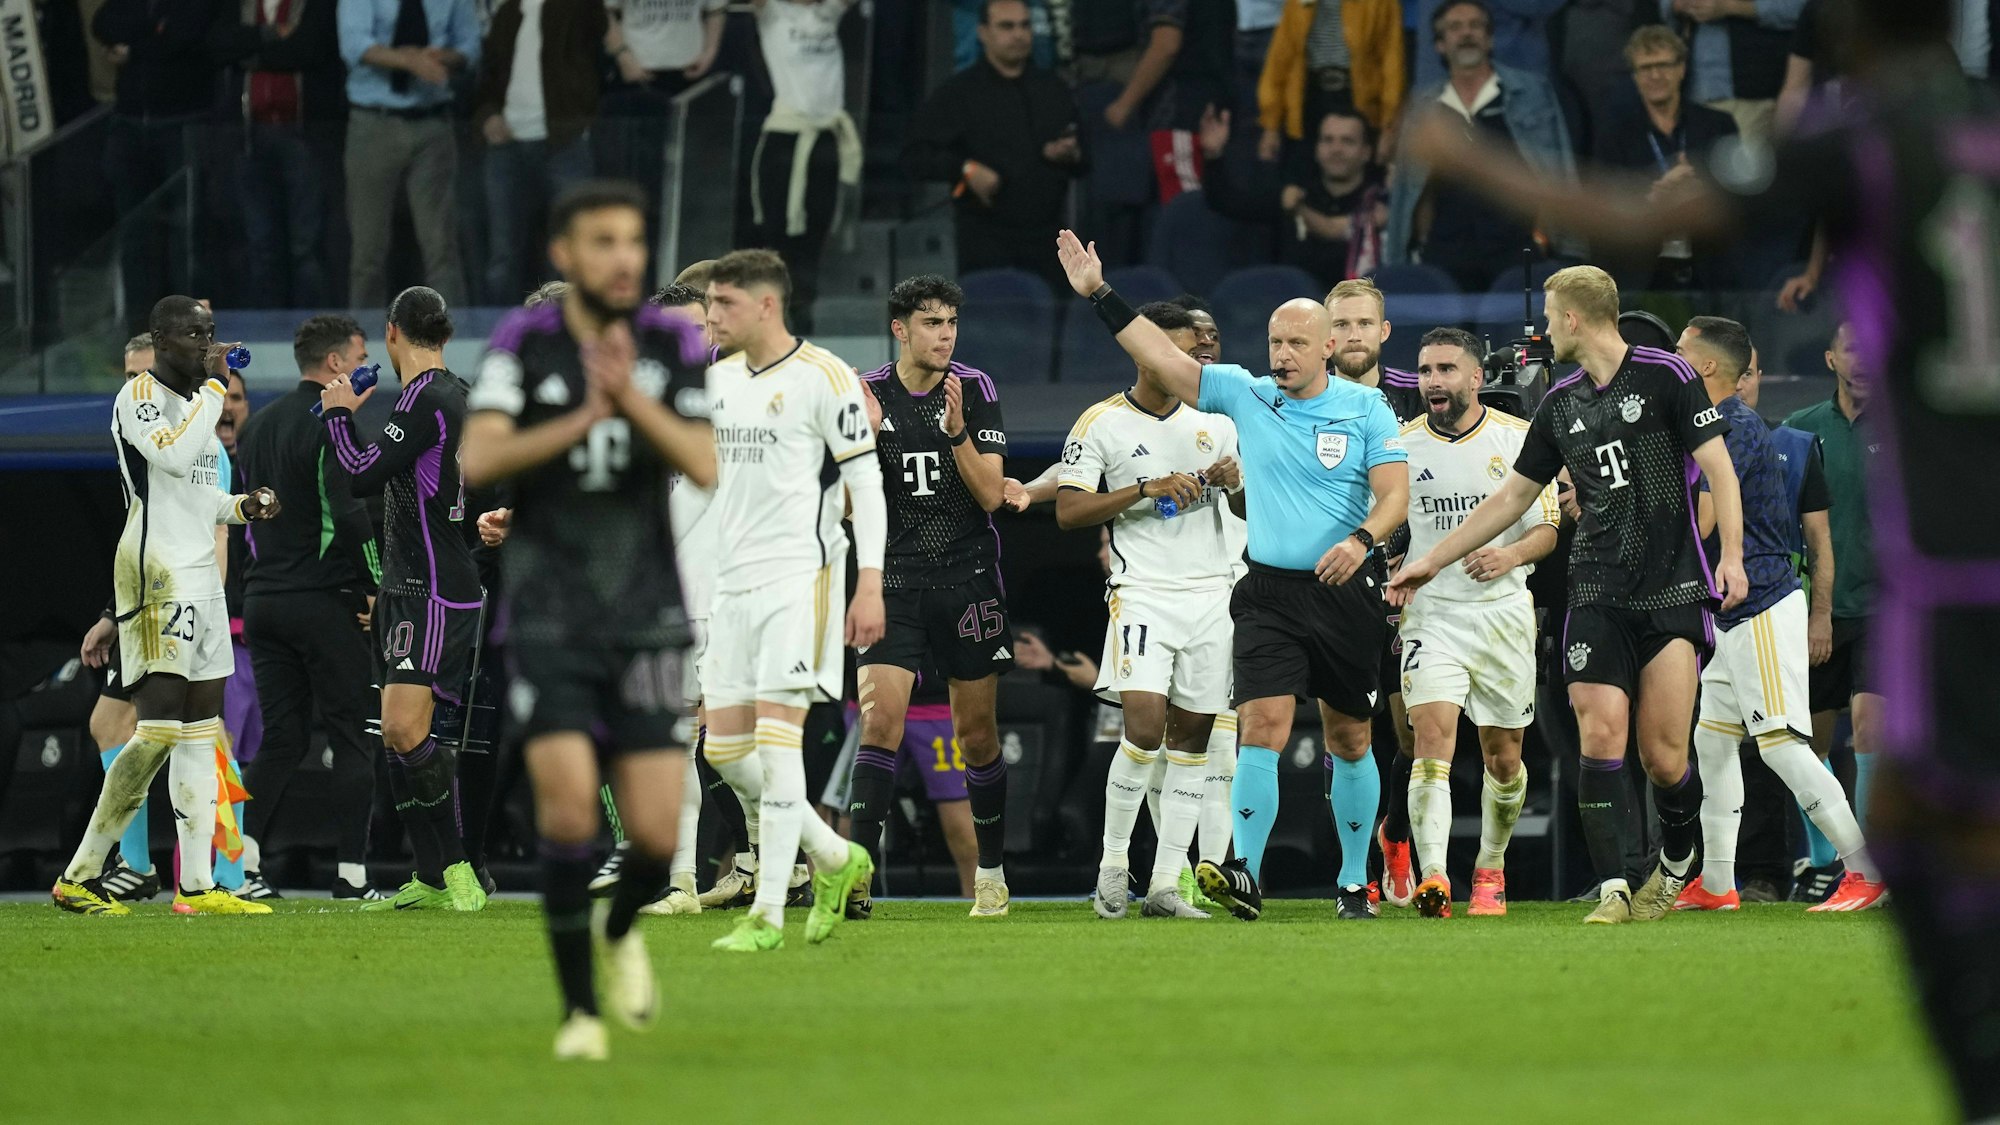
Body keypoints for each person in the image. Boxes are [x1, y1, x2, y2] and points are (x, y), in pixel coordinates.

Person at [1403, 4, 1997, 1104]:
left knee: (1910, 817)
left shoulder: (1860, 143)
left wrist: (1464, 156)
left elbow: (1637, 214)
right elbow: (1533, 492)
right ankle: (1665, 876)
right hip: (1653, 582)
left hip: (1946, 574)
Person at [1057, 228, 1411, 923]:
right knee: (1261, 726)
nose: (1281, 354)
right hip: (1268, 593)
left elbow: (1394, 493)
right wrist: (1099, 292)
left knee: (1351, 738)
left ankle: (1350, 880)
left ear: (1327, 349)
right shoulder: (1247, 396)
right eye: (1275, 342)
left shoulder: (1366, 407)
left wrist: (1363, 539)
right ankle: (1242, 869)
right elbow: (1159, 353)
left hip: (1345, 590)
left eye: (1296, 344)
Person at [1388, 266, 1748, 925]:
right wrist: (1430, 560)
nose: (1544, 329)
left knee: (1664, 757)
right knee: (1599, 735)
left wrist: (1730, 555)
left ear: (1576, 319)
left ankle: (1676, 856)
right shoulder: (1560, 403)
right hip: (1597, 590)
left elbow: (1719, 469)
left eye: (1551, 317)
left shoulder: (1666, 375)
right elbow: (1512, 497)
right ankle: (1614, 886)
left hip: (1671, 586)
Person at [462, 181, 714, 1059]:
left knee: (652, 833)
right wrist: (581, 416)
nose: (623, 257)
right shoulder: (523, 342)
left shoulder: (669, 342)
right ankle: (578, 1014)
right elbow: (480, 455)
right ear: (565, 253)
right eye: (603, 240)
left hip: (647, 614)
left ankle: (618, 932)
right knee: (569, 815)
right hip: (548, 613)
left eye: (634, 241)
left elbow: (704, 462)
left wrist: (631, 402)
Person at [52, 297, 281, 916]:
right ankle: (81, 873)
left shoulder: (193, 405)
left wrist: (243, 506)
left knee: (201, 733)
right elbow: (173, 459)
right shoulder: (143, 398)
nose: (204, 342)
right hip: (156, 573)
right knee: (153, 730)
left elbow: (201, 497)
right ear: (159, 339)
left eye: (209, 332)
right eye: (190, 334)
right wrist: (215, 382)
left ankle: (199, 886)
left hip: (201, 578)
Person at [1667, 316, 1884, 913]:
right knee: (1712, 745)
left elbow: (1704, 522)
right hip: (1733, 611)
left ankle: (1864, 871)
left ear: (1707, 366)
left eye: (1681, 351)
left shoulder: (1728, 427)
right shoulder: (1715, 422)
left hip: (1760, 602)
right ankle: (1717, 883)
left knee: (1784, 746)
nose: (1672, 358)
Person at [697, 248, 880, 951]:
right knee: (723, 749)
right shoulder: (715, 382)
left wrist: (869, 582)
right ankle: (834, 856)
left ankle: (768, 912)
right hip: (731, 584)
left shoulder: (825, 377)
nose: (711, 316)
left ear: (766, 305)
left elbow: (866, 487)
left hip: (799, 579)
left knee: (778, 746)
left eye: (724, 304)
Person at [1057, 300, 1241, 921]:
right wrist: (1145, 488)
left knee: (1192, 742)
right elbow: (1067, 511)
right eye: (1190, 347)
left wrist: (1236, 484)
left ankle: (1166, 883)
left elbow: (1246, 516)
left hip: (1214, 595)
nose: (1202, 357)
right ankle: (1113, 865)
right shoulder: (1101, 423)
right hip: (1144, 596)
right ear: (1148, 350)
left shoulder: (1220, 419)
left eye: (1207, 345)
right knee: (1142, 728)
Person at [848, 275, 1017, 919]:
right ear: (900, 329)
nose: (945, 334)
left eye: (951, 322)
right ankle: (857, 880)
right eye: (931, 321)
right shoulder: (863, 394)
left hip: (968, 581)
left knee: (976, 736)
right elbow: (842, 506)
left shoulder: (972, 389)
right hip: (892, 581)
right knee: (880, 722)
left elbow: (993, 496)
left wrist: (956, 435)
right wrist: (858, 441)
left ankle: (992, 875)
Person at [318, 286, 487, 911]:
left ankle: (459, 870)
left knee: (406, 727)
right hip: (414, 583)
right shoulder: (462, 395)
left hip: (432, 589)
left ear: (393, 333)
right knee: (395, 734)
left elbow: (363, 471)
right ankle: (431, 874)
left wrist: (338, 413)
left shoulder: (425, 398)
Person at [1394, 327, 1559, 918]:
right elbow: (1387, 517)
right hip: (1431, 613)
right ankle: (1434, 874)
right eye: (1424, 370)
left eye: (1444, 369)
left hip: (1503, 613)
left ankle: (1491, 864)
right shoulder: (1400, 444)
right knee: (1431, 742)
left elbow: (1547, 528)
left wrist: (1510, 555)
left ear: (1475, 378)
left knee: (1504, 757)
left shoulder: (1519, 438)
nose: (1432, 381)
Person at [234, 315, 385, 900]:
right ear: (336, 366)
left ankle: (243, 867)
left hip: (264, 602)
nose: (368, 364)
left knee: (282, 740)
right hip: (320, 601)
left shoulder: (257, 427)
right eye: (361, 355)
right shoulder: (334, 425)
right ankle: (352, 876)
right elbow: (346, 515)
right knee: (351, 735)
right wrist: (375, 586)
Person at [1323, 277, 1422, 907]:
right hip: (1334, 589)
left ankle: (1398, 837)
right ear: (1326, 337)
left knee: (1413, 735)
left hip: (1415, 589)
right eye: (1343, 326)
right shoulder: (1299, 400)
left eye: (1365, 324)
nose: (1354, 336)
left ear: (1383, 333)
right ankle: (1353, 871)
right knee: (1346, 734)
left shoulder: (1422, 397)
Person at [1783, 321, 1884, 899]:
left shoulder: (1904, 430)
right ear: (1830, 357)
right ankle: (1825, 861)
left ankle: (1870, 865)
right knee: (1810, 745)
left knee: (1871, 729)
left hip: (1882, 610)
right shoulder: (1800, 432)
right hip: (1816, 611)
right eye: (1851, 346)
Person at [1384, 0, 1577, 292]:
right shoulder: (1424, 108)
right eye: (1455, 27)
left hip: (1517, 250)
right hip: (1444, 255)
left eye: (1475, 26)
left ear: (1490, 38)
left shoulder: (1531, 93)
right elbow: (1408, 190)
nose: (1466, 33)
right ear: (1438, 44)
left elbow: (1559, 169)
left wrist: (1560, 244)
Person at [903, 0, 1083, 291]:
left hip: (1050, 239)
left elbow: (1084, 156)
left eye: (1025, 25)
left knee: (1052, 326)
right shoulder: (958, 93)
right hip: (986, 239)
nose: (1019, 34)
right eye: (1007, 26)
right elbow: (915, 156)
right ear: (983, 32)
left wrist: (1070, 153)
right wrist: (965, 169)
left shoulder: (1052, 88)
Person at [337, 0, 481, 308]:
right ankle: (362, 340)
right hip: (374, 124)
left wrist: (443, 58)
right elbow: (354, 44)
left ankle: (453, 341)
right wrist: (408, 61)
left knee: (441, 245)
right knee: (368, 250)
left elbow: (469, 45)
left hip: (433, 124)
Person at [208, 0, 346, 309]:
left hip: (304, 135)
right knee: (260, 244)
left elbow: (309, 49)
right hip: (248, 135)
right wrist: (272, 34)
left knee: (306, 246)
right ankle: (268, 329)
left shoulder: (316, 5)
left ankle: (313, 330)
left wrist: (249, 54)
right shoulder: (240, 5)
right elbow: (218, 44)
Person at [474, 0, 606, 304]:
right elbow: (488, 78)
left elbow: (596, 56)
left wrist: (579, 118)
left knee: (569, 247)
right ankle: (499, 337)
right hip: (506, 144)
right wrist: (488, 115)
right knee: (502, 254)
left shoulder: (576, 8)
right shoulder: (508, 13)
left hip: (564, 141)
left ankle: (566, 333)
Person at [1593, 26, 1741, 291]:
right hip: (1644, 271)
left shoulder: (1719, 126)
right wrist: (1653, 199)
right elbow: (1605, 211)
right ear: (1635, 77)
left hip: (1710, 267)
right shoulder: (1614, 134)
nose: (1655, 75)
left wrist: (1702, 191)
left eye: (1663, 65)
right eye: (1645, 68)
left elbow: (1739, 204)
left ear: (1681, 69)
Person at [749, 0, 863, 333]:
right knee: (777, 233)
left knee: (817, 230)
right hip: (785, 137)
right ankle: (771, 312)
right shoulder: (772, 11)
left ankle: (803, 309)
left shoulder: (829, 11)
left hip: (826, 138)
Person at [1198, 106, 1387, 288]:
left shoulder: (1380, 202)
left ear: (1366, 152)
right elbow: (1227, 202)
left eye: (1347, 141)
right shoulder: (1294, 194)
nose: (1336, 149)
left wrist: (1299, 209)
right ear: (1316, 148)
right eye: (1328, 140)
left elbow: (1333, 228)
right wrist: (1214, 156)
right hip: (1292, 311)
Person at [1254, 0, 1406, 162]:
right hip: (1309, 100)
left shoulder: (1381, 3)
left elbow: (1393, 64)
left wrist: (1389, 127)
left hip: (1359, 102)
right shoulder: (1297, 3)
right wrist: (1271, 125)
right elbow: (1279, 61)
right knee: (1303, 177)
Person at [1660, 0, 1804, 144]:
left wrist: (1731, 6)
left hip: (1752, 94)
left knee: (1740, 163)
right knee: (1695, 163)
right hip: (1693, 92)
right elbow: (1663, 9)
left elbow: (1801, 9)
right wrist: (1679, 4)